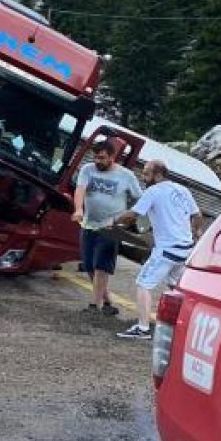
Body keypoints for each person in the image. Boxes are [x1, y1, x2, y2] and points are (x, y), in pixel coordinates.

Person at [108, 160, 202, 339]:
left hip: (166, 249)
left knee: (144, 284)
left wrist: (112, 221)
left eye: (146, 173)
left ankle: (142, 328)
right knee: (177, 289)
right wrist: (195, 231)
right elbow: (197, 215)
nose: (143, 177)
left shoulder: (153, 191)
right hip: (185, 249)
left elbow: (133, 215)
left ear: (158, 174)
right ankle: (182, 328)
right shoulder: (182, 190)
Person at [71, 140, 141, 316]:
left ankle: (94, 306)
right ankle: (108, 302)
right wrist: (79, 209)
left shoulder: (126, 176)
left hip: (111, 228)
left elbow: (139, 200)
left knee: (101, 265)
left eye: (101, 158)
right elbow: (80, 190)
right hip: (88, 224)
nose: (97, 161)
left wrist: (128, 218)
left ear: (112, 156)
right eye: (95, 157)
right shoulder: (88, 169)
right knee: (88, 265)